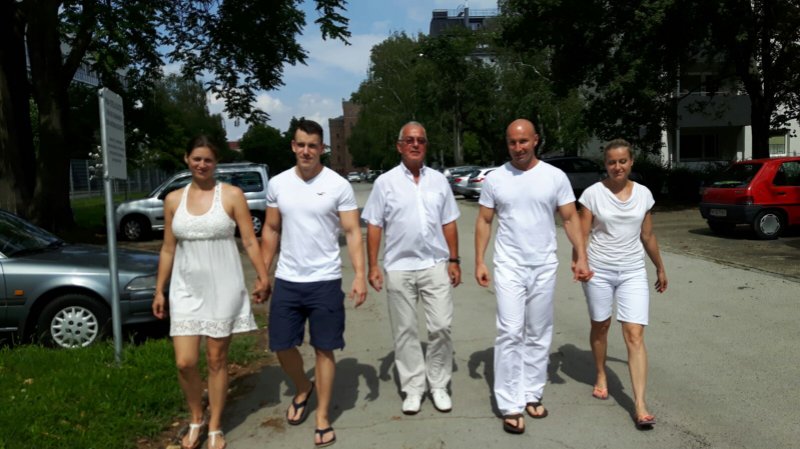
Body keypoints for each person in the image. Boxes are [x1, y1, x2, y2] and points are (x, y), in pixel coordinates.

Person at [474, 118, 592, 435]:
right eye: (512, 142)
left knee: (538, 332)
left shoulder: (554, 177)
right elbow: (484, 220)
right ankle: (510, 403)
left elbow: (570, 218)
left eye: (523, 141)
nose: (518, 148)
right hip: (509, 265)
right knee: (510, 331)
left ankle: (531, 393)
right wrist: (479, 261)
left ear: (535, 140)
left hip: (543, 265)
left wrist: (581, 255)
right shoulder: (496, 179)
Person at [153, 135, 269, 449]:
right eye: (197, 159)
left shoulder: (231, 195)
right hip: (185, 288)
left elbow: (249, 240)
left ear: (216, 163)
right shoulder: (173, 200)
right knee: (185, 362)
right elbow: (168, 248)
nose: (202, 165)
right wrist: (159, 290)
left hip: (223, 286)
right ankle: (196, 417)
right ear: (187, 159)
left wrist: (263, 276)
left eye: (208, 160)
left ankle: (215, 425)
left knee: (217, 359)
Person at [260, 119, 367, 448]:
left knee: (324, 347)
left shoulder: (338, 185)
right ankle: (303, 387)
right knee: (281, 344)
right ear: (293, 146)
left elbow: (352, 231)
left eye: (312, 145)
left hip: (324, 280)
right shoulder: (278, 184)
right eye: (301, 144)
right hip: (288, 279)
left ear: (322, 148)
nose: (306, 151)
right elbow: (271, 229)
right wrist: (263, 273)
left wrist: (359, 274)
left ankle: (322, 417)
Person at [361, 121, 461, 415]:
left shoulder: (439, 181)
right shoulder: (385, 183)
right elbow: (374, 225)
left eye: (421, 140)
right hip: (399, 267)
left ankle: (438, 384)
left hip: (435, 264)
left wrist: (454, 260)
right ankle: (414, 388)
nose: (415, 144)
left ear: (426, 145)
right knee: (405, 330)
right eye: (409, 140)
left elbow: (449, 221)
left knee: (441, 326)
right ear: (399, 146)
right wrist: (373, 266)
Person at [576, 138, 668, 430]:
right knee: (601, 325)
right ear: (605, 164)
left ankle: (640, 404)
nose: (617, 166)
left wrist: (660, 267)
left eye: (622, 161)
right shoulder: (592, 194)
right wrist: (579, 261)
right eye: (612, 162)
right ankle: (601, 373)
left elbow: (647, 235)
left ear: (631, 162)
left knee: (634, 334)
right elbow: (582, 233)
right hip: (599, 271)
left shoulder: (643, 194)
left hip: (632, 271)